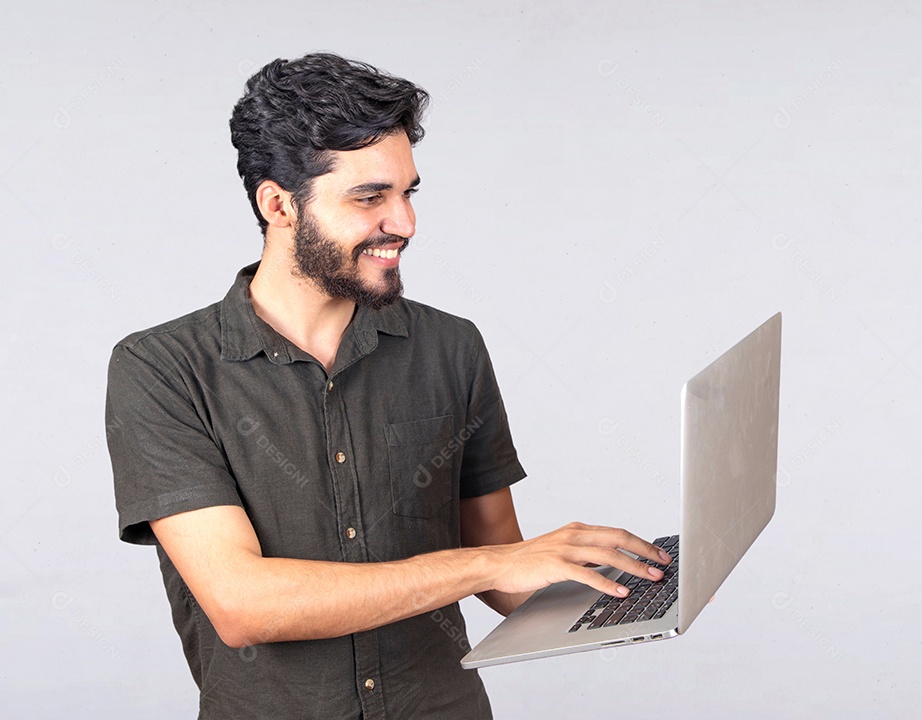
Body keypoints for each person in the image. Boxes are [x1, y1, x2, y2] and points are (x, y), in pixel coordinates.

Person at [105, 52, 671, 719]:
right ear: (279, 205)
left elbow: (503, 562)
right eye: (371, 197)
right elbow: (242, 605)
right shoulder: (164, 368)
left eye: (408, 192)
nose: (403, 223)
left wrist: (639, 589)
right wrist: (489, 568)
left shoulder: (450, 347)